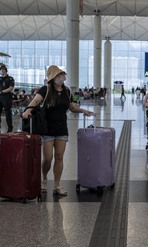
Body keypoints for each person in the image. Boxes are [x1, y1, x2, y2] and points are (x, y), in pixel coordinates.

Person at [22, 65, 94, 196]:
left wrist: (83, 110)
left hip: (61, 128)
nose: (62, 78)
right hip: (47, 128)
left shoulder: (67, 91)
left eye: (62, 75)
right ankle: (44, 179)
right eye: (58, 75)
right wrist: (27, 111)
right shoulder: (46, 90)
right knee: (48, 158)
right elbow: (35, 101)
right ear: (52, 78)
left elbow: (71, 107)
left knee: (59, 157)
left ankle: (57, 184)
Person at [0, 64, 15, 132]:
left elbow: (11, 88)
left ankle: (10, 128)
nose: (2, 71)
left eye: (3, 69)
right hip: (0, 97)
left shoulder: (10, 78)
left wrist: (2, 91)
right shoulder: (0, 79)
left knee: (7, 113)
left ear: (6, 70)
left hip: (7, 97)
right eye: (1, 70)